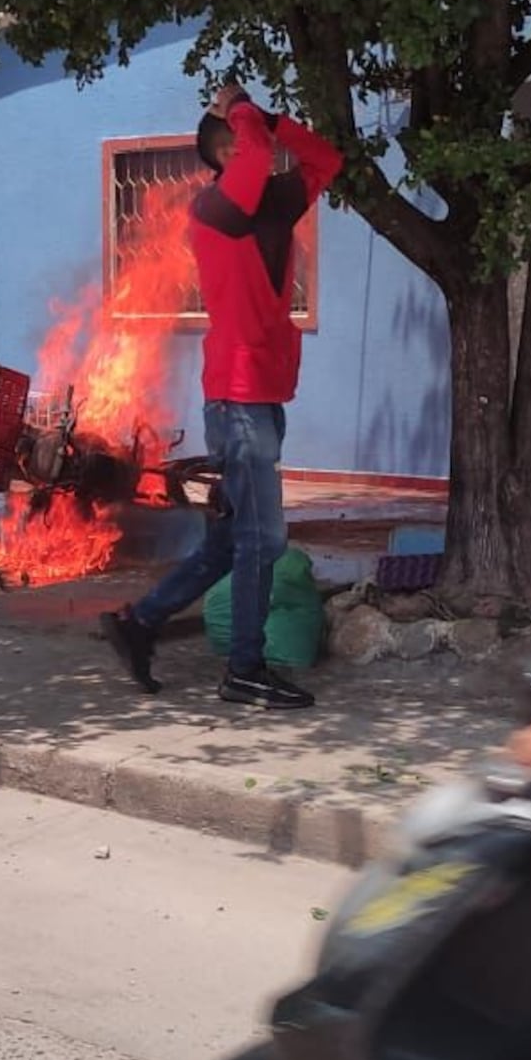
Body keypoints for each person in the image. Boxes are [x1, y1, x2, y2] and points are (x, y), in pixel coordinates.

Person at [104, 82, 343, 712]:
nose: (254, 145)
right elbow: (259, 158)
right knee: (262, 541)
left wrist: (272, 116)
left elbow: (327, 160)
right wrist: (240, 107)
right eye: (240, 141)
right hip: (237, 400)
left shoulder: (270, 207)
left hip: (260, 397)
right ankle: (244, 670)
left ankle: (139, 622)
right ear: (222, 155)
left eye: (253, 137)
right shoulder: (217, 209)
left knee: (229, 542)